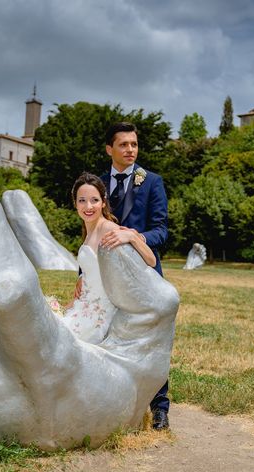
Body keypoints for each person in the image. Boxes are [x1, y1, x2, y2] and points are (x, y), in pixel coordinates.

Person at [100, 121, 171, 431]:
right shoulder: (98, 185)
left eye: (134, 144)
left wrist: (133, 236)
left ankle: (160, 408)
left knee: (154, 342)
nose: (130, 149)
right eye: (124, 144)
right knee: (107, 337)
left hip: (143, 274)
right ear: (109, 149)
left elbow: (162, 231)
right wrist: (82, 275)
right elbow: (89, 231)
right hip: (106, 278)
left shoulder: (152, 182)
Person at [59, 173, 156, 344]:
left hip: (99, 314)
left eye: (94, 200)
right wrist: (83, 278)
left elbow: (151, 260)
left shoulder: (109, 229)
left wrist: (132, 237)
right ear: (75, 203)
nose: (88, 206)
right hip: (83, 304)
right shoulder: (89, 231)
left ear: (103, 202)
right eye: (82, 200)